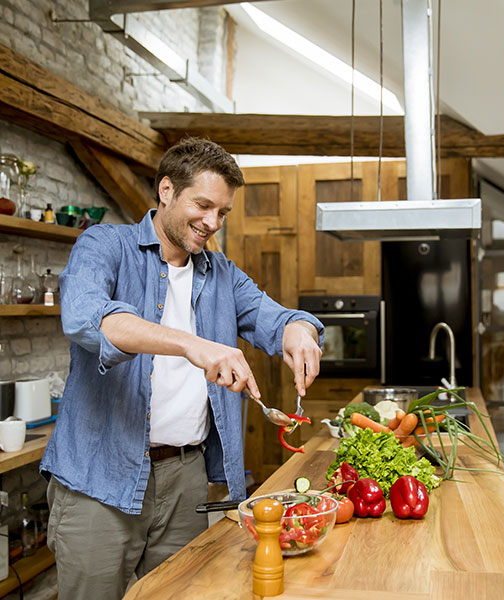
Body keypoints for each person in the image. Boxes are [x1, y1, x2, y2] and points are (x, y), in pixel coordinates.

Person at [40, 137, 324, 600]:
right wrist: (193, 346)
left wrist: (299, 333)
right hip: (99, 477)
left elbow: (279, 319)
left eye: (223, 213)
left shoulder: (221, 273)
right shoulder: (105, 245)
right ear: (167, 190)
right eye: (204, 205)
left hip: (186, 477)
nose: (212, 223)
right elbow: (88, 318)